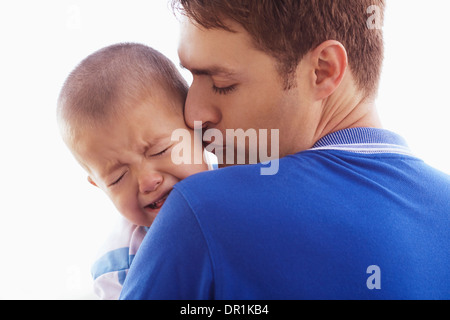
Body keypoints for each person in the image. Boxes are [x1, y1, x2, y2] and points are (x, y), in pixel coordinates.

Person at [119, 0, 450, 299]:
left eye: (222, 84)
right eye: (191, 77)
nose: (193, 115)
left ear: (323, 70)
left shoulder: (203, 212)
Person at [57, 43, 215, 299]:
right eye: (118, 178)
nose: (147, 181)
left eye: (160, 151)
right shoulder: (118, 270)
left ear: (197, 132)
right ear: (99, 186)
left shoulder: (242, 187)